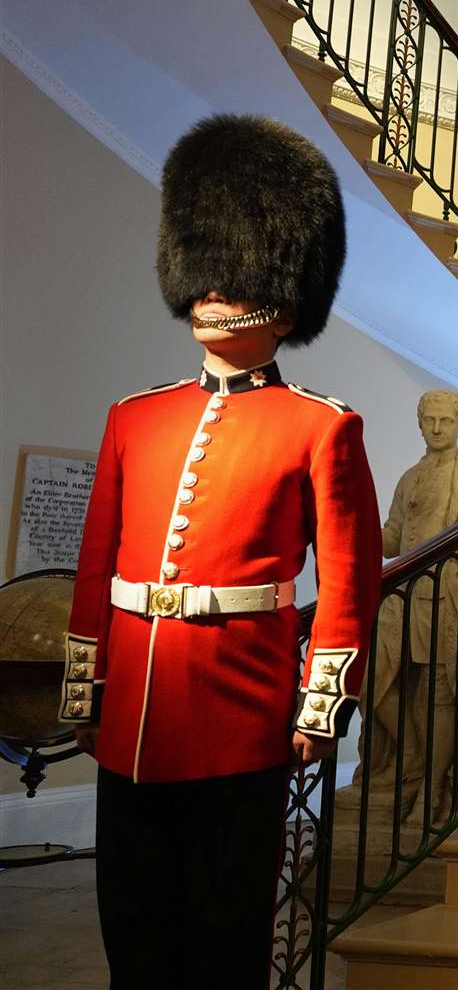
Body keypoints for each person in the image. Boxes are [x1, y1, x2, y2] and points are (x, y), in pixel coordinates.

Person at [59, 114, 382, 987]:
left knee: (224, 931)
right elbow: (98, 567)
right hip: (130, 713)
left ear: (283, 299)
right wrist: (84, 690)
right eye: (201, 275)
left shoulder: (321, 426)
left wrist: (322, 705)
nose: (210, 295)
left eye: (231, 277)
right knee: (133, 926)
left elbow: (349, 581)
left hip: (242, 715)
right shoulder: (137, 417)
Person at [350, 389, 458, 824]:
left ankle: (432, 788)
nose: (437, 429)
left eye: (445, 422)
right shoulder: (410, 479)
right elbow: (394, 540)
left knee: (442, 689)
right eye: (430, 421)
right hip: (406, 594)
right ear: (420, 424)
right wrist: (350, 519)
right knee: (367, 675)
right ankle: (413, 754)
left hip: (451, 593)